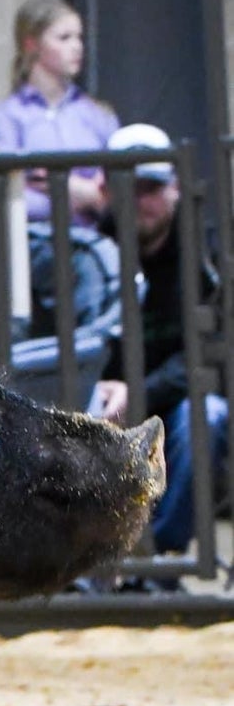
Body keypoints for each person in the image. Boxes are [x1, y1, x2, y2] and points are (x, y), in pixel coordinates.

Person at [91, 124, 227, 556]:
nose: (139, 201)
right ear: (106, 190)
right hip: (101, 406)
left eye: (150, 187)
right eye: (127, 187)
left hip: (168, 401)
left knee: (207, 412)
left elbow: (204, 356)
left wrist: (138, 391)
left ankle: (160, 554)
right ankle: (101, 561)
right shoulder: (86, 253)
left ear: (175, 190)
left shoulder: (203, 259)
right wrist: (94, 384)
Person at [0, 0, 119, 335]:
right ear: (31, 44)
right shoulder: (6, 116)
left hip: (92, 237)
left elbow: (112, 194)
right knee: (81, 266)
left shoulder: (98, 115)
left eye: (79, 37)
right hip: (32, 241)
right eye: (64, 38)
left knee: (95, 263)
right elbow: (12, 197)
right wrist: (79, 191)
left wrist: (57, 185)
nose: (77, 47)